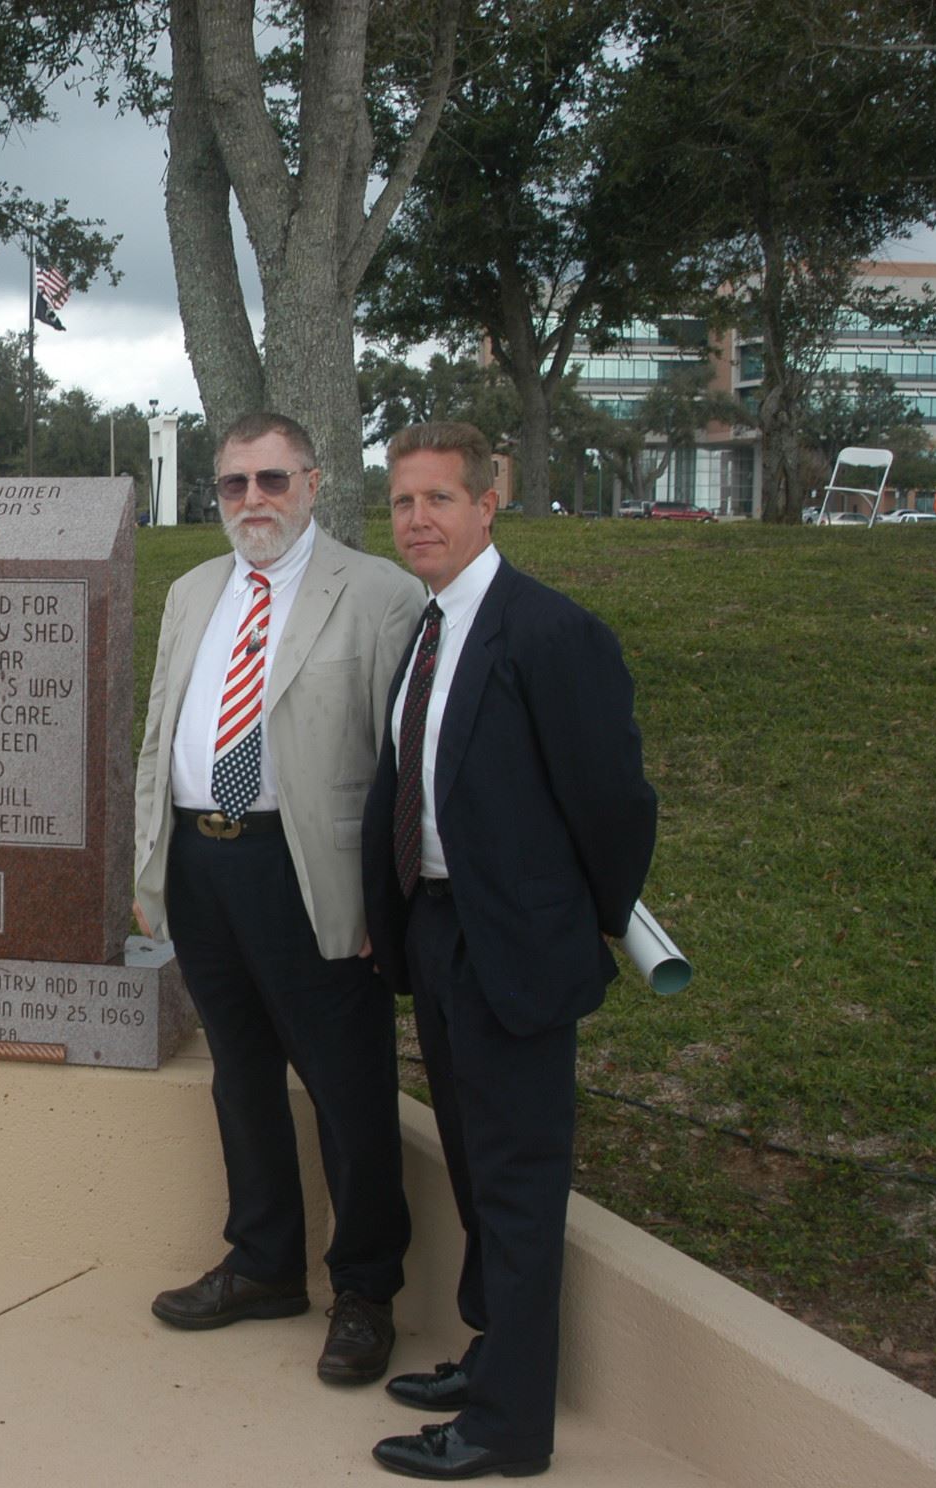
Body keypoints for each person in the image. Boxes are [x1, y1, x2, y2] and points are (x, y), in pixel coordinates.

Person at [361, 422, 658, 1479]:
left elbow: (613, 806)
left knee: (520, 1188)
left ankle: (504, 1426)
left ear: (489, 504)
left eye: (438, 499)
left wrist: (571, 921)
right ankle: (489, 1357)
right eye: (401, 502)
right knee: (481, 1178)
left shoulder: (548, 633)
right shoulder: (428, 626)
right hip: (438, 935)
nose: (417, 520)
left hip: (515, 952)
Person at [132, 410, 424, 1385]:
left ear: (311, 483)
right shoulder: (190, 592)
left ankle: (364, 1291)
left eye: (269, 481)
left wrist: (390, 905)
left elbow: (404, 768)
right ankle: (262, 1264)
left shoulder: (378, 596)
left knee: (346, 1088)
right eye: (232, 485)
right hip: (202, 867)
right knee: (240, 1074)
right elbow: (159, 732)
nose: (250, 502)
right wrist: (149, 867)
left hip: (308, 872)